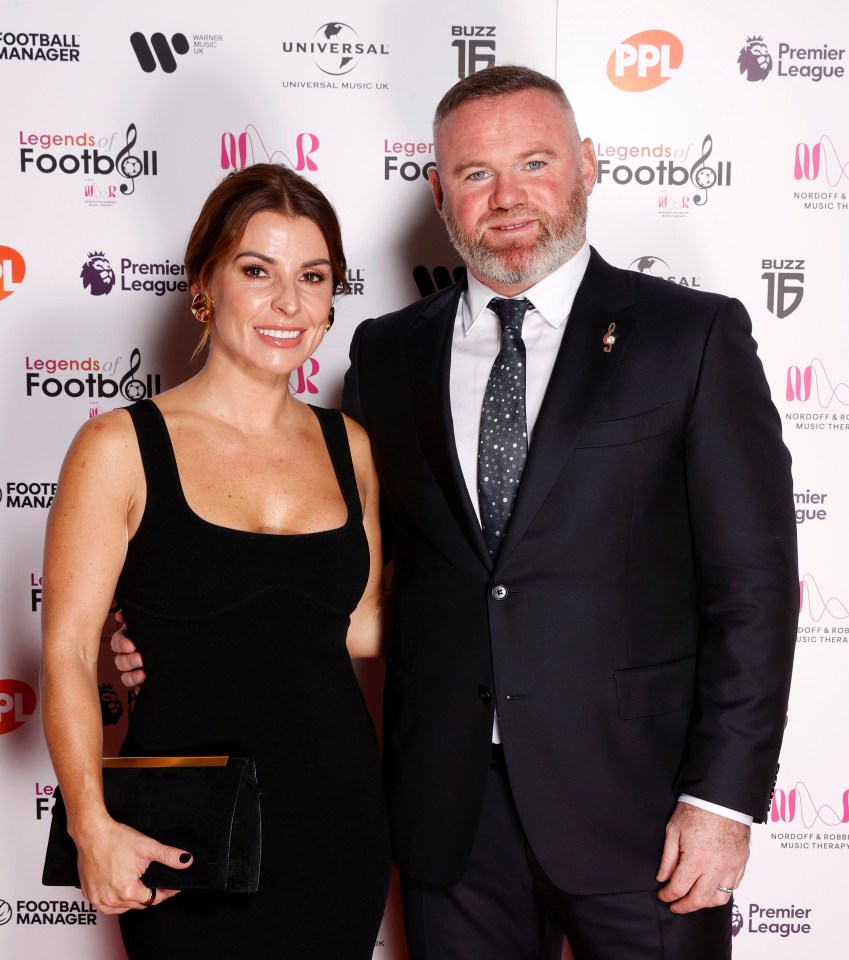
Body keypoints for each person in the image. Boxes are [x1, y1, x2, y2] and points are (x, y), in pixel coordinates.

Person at [116, 67, 797, 960]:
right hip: (448, 819)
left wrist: (721, 802)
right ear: (440, 191)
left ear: (587, 166)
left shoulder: (691, 336)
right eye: (475, 173)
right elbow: (340, 576)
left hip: (644, 813)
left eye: (534, 162)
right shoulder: (389, 350)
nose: (505, 197)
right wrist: (173, 634)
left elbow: (751, 586)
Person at [42, 163, 391, 959]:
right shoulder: (118, 447)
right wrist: (90, 824)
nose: (288, 304)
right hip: (181, 839)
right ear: (205, 283)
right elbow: (64, 652)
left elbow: (363, 629)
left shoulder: (352, 448)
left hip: (339, 826)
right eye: (256, 271)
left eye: (312, 276)